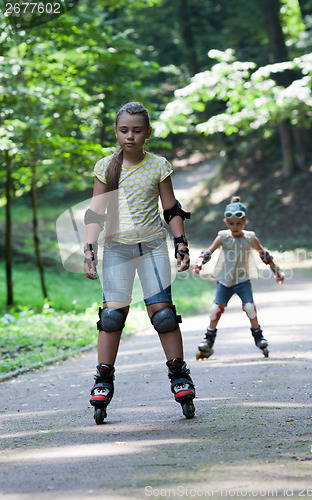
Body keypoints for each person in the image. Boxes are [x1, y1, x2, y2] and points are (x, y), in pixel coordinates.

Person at [83, 102, 195, 423]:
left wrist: (181, 243)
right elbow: (96, 212)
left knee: (163, 316)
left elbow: (171, 209)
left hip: (153, 249)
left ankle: (179, 375)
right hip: (117, 250)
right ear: (116, 132)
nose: (129, 137)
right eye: (123, 130)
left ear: (148, 133)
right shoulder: (106, 167)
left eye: (136, 131)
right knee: (111, 317)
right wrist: (89, 249)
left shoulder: (159, 166)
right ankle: (103, 379)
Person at [193, 196, 284, 359]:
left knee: (249, 307)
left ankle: (259, 337)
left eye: (239, 223)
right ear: (226, 222)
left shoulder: (250, 237)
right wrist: (200, 263)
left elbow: (264, 254)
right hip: (225, 280)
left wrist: (275, 270)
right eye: (232, 223)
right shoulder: (223, 236)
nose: (236, 227)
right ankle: (208, 340)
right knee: (216, 309)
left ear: (245, 222)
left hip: (242, 280)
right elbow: (208, 252)